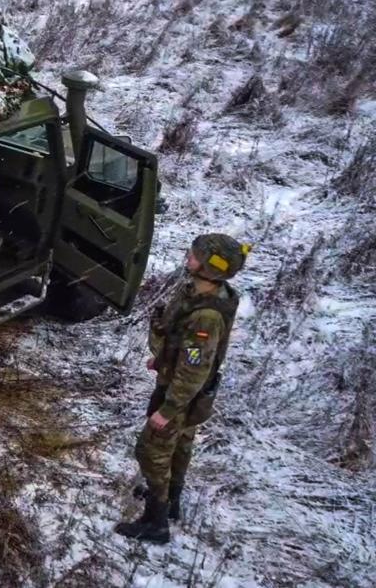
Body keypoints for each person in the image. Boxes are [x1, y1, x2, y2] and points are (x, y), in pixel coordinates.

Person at [115, 233, 250, 544]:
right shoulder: (203, 293)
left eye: (195, 255)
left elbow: (194, 369)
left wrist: (168, 409)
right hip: (185, 390)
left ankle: (156, 523)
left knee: (152, 452)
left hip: (180, 395)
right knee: (180, 445)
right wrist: (161, 359)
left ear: (210, 268)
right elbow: (183, 346)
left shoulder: (206, 316)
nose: (188, 257)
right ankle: (172, 500)